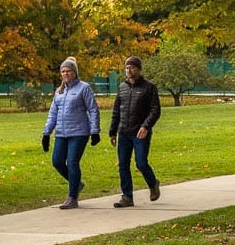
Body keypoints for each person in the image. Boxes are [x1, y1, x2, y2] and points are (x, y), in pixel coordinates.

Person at [42, 56, 101, 209]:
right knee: (57, 161)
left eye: (68, 71)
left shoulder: (84, 88)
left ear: (74, 72)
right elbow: (53, 113)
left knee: (72, 162)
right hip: (62, 133)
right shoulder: (59, 91)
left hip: (79, 132)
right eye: (63, 71)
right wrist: (46, 133)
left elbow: (93, 110)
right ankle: (77, 183)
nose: (65, 74)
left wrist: (95, 131)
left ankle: (72, 197)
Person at [108, 56, 162, 207]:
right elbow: (116, 111)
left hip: (140, 132)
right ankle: (127, 197)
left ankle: (153, 184)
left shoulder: (149, 87)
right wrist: (112, 132)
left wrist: (146, 126)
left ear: (138, 69)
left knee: (141, 163)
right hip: (123, 132)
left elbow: (155, 110)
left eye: (132, 67)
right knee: (123, 165)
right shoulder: (122, 87)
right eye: (126, 68)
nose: (129, 70)